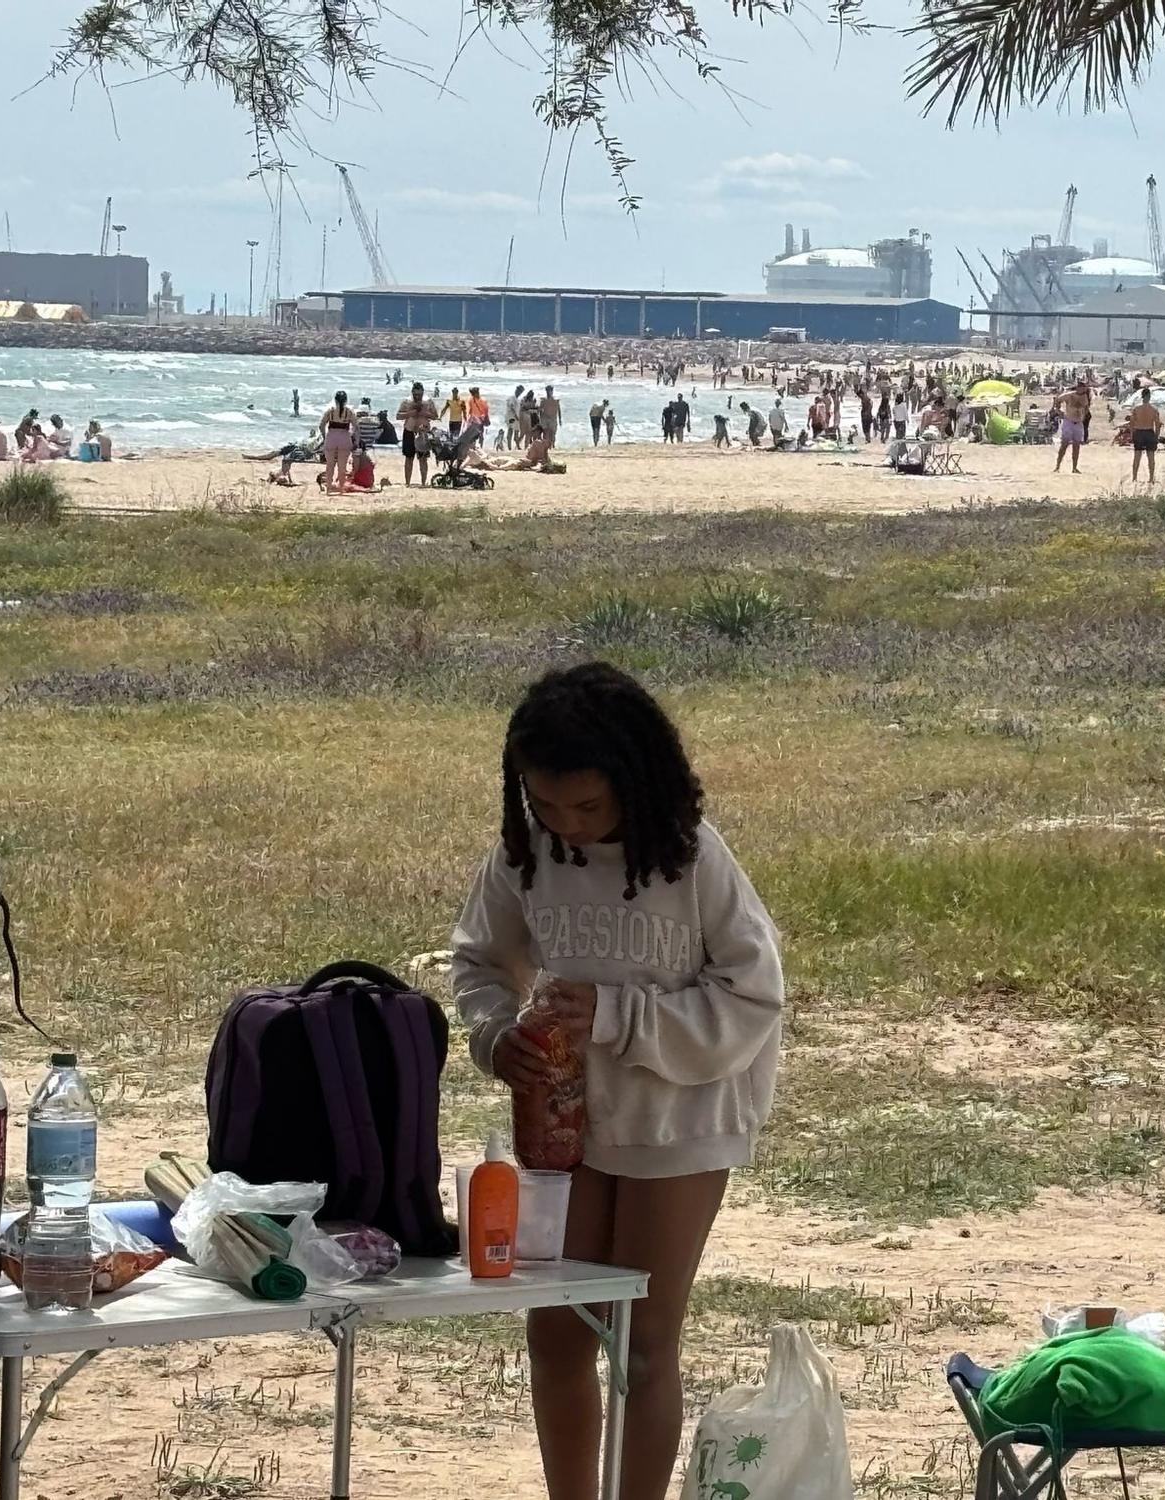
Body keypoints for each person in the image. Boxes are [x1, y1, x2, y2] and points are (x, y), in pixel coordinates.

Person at [452, 662, 782, 1500]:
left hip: (681, 1120)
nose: (569, 825)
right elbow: (480, 963)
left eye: (590, 807)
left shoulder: (692, 858)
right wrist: (495, 1037)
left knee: (642, 1343)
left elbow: (754, 995)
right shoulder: (526, 854)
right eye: (546, 804)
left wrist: (616, 1015)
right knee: (558, 1333)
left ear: (635, 782)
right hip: (568, 1124)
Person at [397, 381, 437, 486]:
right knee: (409, 458)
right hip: (409, 431)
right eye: (415, 394)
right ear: (412, 392)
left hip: (423, 432)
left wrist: (424, 413)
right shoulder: (407, 401)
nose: (417, 396)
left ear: (423, 392)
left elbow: (435, 416)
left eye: (419, 394)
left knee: (423, 458)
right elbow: (398, 416)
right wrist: (410, 413)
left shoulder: (428, 401)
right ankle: (407, 482)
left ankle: (423, 482)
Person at [319, 389, 357, 493]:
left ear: (335, 400)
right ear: (346, 400)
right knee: (342, 465)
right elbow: (356, 427)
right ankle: (341, 488)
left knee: (330, 465)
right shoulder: (349, 412)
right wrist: (352, 436)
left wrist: (325, 437)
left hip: (331, 438)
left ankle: (328, 488)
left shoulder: (330, 411)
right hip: (344, 438)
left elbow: (321, 425)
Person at [1126, 387, 1162, 483]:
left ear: (1142, 396)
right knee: (1151, 457)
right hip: (1149, 432)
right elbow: (1157, 424)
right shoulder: (1153, 409)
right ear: (1149, 396)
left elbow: (1131, 423)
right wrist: (1157, 436)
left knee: (1137, 456)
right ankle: (1151, 478)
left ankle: (1134, 477)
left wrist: (1132, 434)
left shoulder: (1136, 409)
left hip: (1139, 432)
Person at [1054, 382, 1090, 474]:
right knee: (1064, 444)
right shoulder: (1069, 395)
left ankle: (1074, 468)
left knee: (1076, 446)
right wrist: (1059, 411)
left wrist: (1083, 416)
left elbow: (1086, 407)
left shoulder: (1085, 397)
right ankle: (1057, 466)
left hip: (1078, 422)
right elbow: (1058, 399)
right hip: (1068, 421)